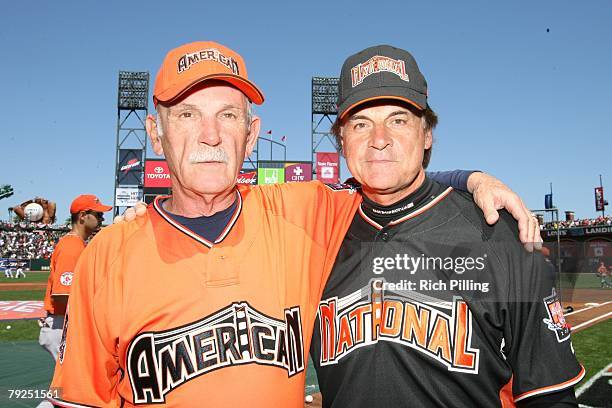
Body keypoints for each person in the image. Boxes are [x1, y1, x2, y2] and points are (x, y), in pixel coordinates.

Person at [50, 41, 539, 407]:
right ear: (155, 133)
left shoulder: (305, 212)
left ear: (251, 133)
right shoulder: (108, 256)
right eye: (186, 115)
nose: (210, 135)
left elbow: (394, 179)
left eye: (228, 115)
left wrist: (472, 179)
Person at [310, 44, 583, 407]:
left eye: (398, 119)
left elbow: (551, 396)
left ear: (427, 135)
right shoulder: (314, 232)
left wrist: (473, 181)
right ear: (342, 142)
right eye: (360, 124)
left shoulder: (497, 235)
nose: (379, 139)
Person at [39, 194, 111, 360]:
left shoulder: (77, 244)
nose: (102, 218)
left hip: (64, 323)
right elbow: (63, 295)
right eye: (98, 214)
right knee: (74, 382)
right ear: (83, 216)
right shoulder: (72, 247)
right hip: (63, 324)